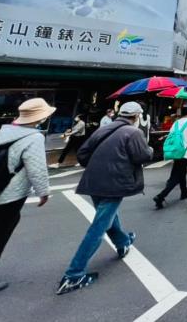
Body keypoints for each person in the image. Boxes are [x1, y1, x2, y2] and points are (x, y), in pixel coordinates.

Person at [56, 102, 153, 295]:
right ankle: (73, 275)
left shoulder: (105, 128)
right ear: (136, 116)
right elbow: (143, 156)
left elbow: (83, 153)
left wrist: (97, 166)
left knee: (107, 217)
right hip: (114, 183)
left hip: (93, 181)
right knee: (99, 226)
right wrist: (149, 149)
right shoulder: (133, 133)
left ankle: (123, 242)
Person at [0, 98, 52, 299]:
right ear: (41, 117)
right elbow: (37, 168)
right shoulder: (34, 137)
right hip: (11, 195)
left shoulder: (6, 131)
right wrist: (43, 192)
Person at [153, 103, 187, 208]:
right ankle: (161, 196)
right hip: (185, 152)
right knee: (176, 176)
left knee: (181, 172)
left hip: (176, 151)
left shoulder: (176, 123)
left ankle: (184, 192)